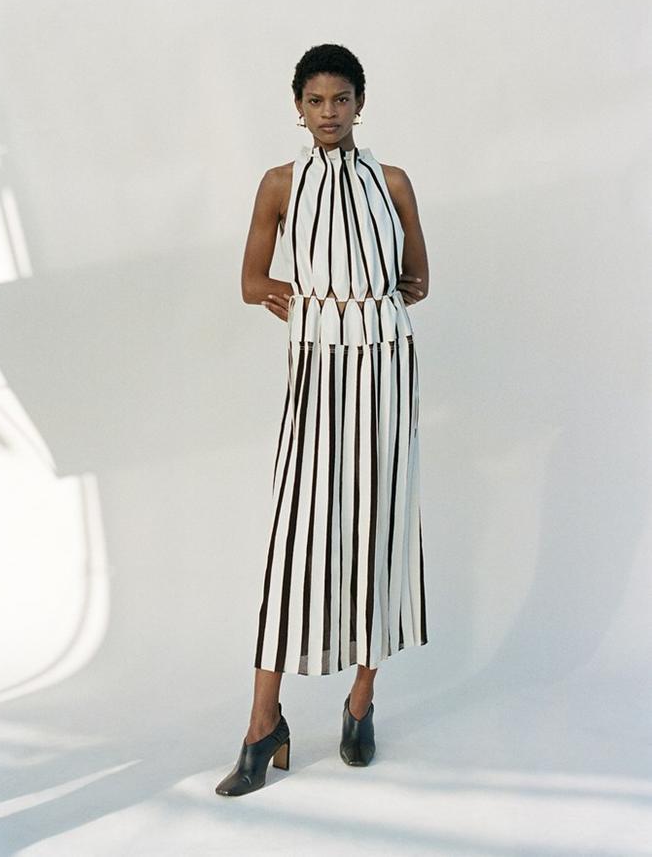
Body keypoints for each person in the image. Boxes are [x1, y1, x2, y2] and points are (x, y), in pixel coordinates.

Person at [215, 43, 429, 796]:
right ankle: (262, 721)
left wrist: (371, 308)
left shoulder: (392, 181)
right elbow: (250, 281)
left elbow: (419, 279)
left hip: (385, 367)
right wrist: (302, 302)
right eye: (316, 100)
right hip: (316, 366)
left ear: (360, 104)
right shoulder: (280, 183)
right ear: (298, 108)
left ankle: (361, 701)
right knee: (297, 533)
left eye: (341, 99)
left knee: (378, 523)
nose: (329, 112)